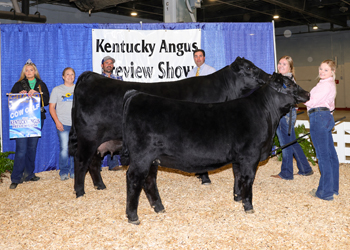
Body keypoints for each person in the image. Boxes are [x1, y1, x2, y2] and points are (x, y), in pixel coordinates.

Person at [271, 56, 313, 180]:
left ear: (290, 67)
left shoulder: (286, 80)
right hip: (286, 113)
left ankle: (286, 173)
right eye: (280, 63)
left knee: (286, 144)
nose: (281, 66)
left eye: (284, 64)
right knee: (291, 142)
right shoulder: (285, 79)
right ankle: (305, 169)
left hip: (285, 114)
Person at [9, 59, 50, 189]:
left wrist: (37, 94)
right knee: (21, 149)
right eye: (26, 70)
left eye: (31, 70)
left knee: (32, 148)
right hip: (21, 120)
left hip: (36, 119)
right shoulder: (18, 85)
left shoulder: (40, 85)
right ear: (24, 72)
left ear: (35, 71)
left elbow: (47, 101)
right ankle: (16, 177)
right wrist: (19, 95)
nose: (29, 72)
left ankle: (29, 174)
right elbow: (11, 100)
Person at [305, 59, 339, 201]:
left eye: (326, 70)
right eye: (321, 68)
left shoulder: (325, 85)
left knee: (323, 156)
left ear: (332, 71)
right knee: (330, 154)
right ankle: (332, 188)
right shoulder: (328, 84)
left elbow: (311, 101)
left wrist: (296, 96)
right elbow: (331, 106)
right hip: (325, 116)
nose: (322, 72)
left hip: (318, 116)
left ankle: (325, 193)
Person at [187, 49, 216, 185]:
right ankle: (199, 169)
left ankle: (205, 173)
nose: (198, 58)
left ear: (204, 57)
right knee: (195, 141)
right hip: (193, 112)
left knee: (205, 142)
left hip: (205, 111)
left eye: (200, 56)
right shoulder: (191, 73)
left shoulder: (211, 71)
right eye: (196, 56)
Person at [49, 67, 75, 181]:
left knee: (75, 148)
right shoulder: (57, 90)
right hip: (63, 123)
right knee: (64, 148)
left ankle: (74, 171)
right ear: (63, 76)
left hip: (76, 125)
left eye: (72, 74)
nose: (70, 76)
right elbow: (51, 107)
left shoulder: (78, 89)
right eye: (67, 74)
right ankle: (64, 171)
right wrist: (57, 121)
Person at [101, 56, 123, 171]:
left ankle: (113, 164)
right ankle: (96, 164)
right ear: (102, 65)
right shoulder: (98, 79)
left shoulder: (119, 79)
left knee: (114, 137)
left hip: (116, 112)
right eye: (107, 63)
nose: (109, 65)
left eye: (111, 63)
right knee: (100, 137)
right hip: (102, 112)